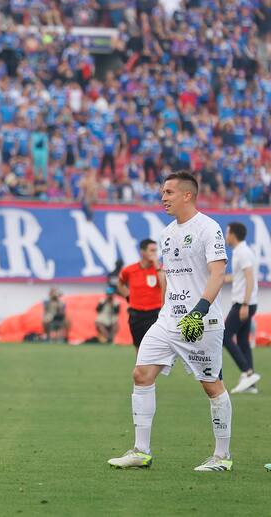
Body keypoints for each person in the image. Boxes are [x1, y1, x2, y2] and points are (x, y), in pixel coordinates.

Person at [108, 171, 231, 472]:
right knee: (140, 374)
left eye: (169, 193)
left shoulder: (208, 228)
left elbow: (217, 274)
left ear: (187, 195)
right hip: (168, 320)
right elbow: (169, 278)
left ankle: (222, 456)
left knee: (211, 385)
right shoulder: (165, 234)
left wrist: (200, 310)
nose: (163, 198)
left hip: (201, 322)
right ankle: (141, 451)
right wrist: (165, 308)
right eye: (163, 192)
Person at [223, 222, 261, 394]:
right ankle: (250, 384)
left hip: (242, 304)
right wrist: (221, 279)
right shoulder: (241, 251)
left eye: (227, 232)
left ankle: (247, 372)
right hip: (246, 303)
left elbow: (250, 279)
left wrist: (245, 304)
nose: (225, 236)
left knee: (225, 336)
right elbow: (240, 277)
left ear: (233, 235)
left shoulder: (243, 253)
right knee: (243, 341)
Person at [118, 239, 165, 350]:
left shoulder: (159, 269)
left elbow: (164, 285)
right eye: (151, 250)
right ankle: (140, 367)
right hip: (136, 314)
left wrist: (157, 266)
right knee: (138, 346)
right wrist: (128, 296)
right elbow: (120, 283)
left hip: (154, 313)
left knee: (154, 347)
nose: (154, 253)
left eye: (156, 250)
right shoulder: (130, 270)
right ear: (142, 252)